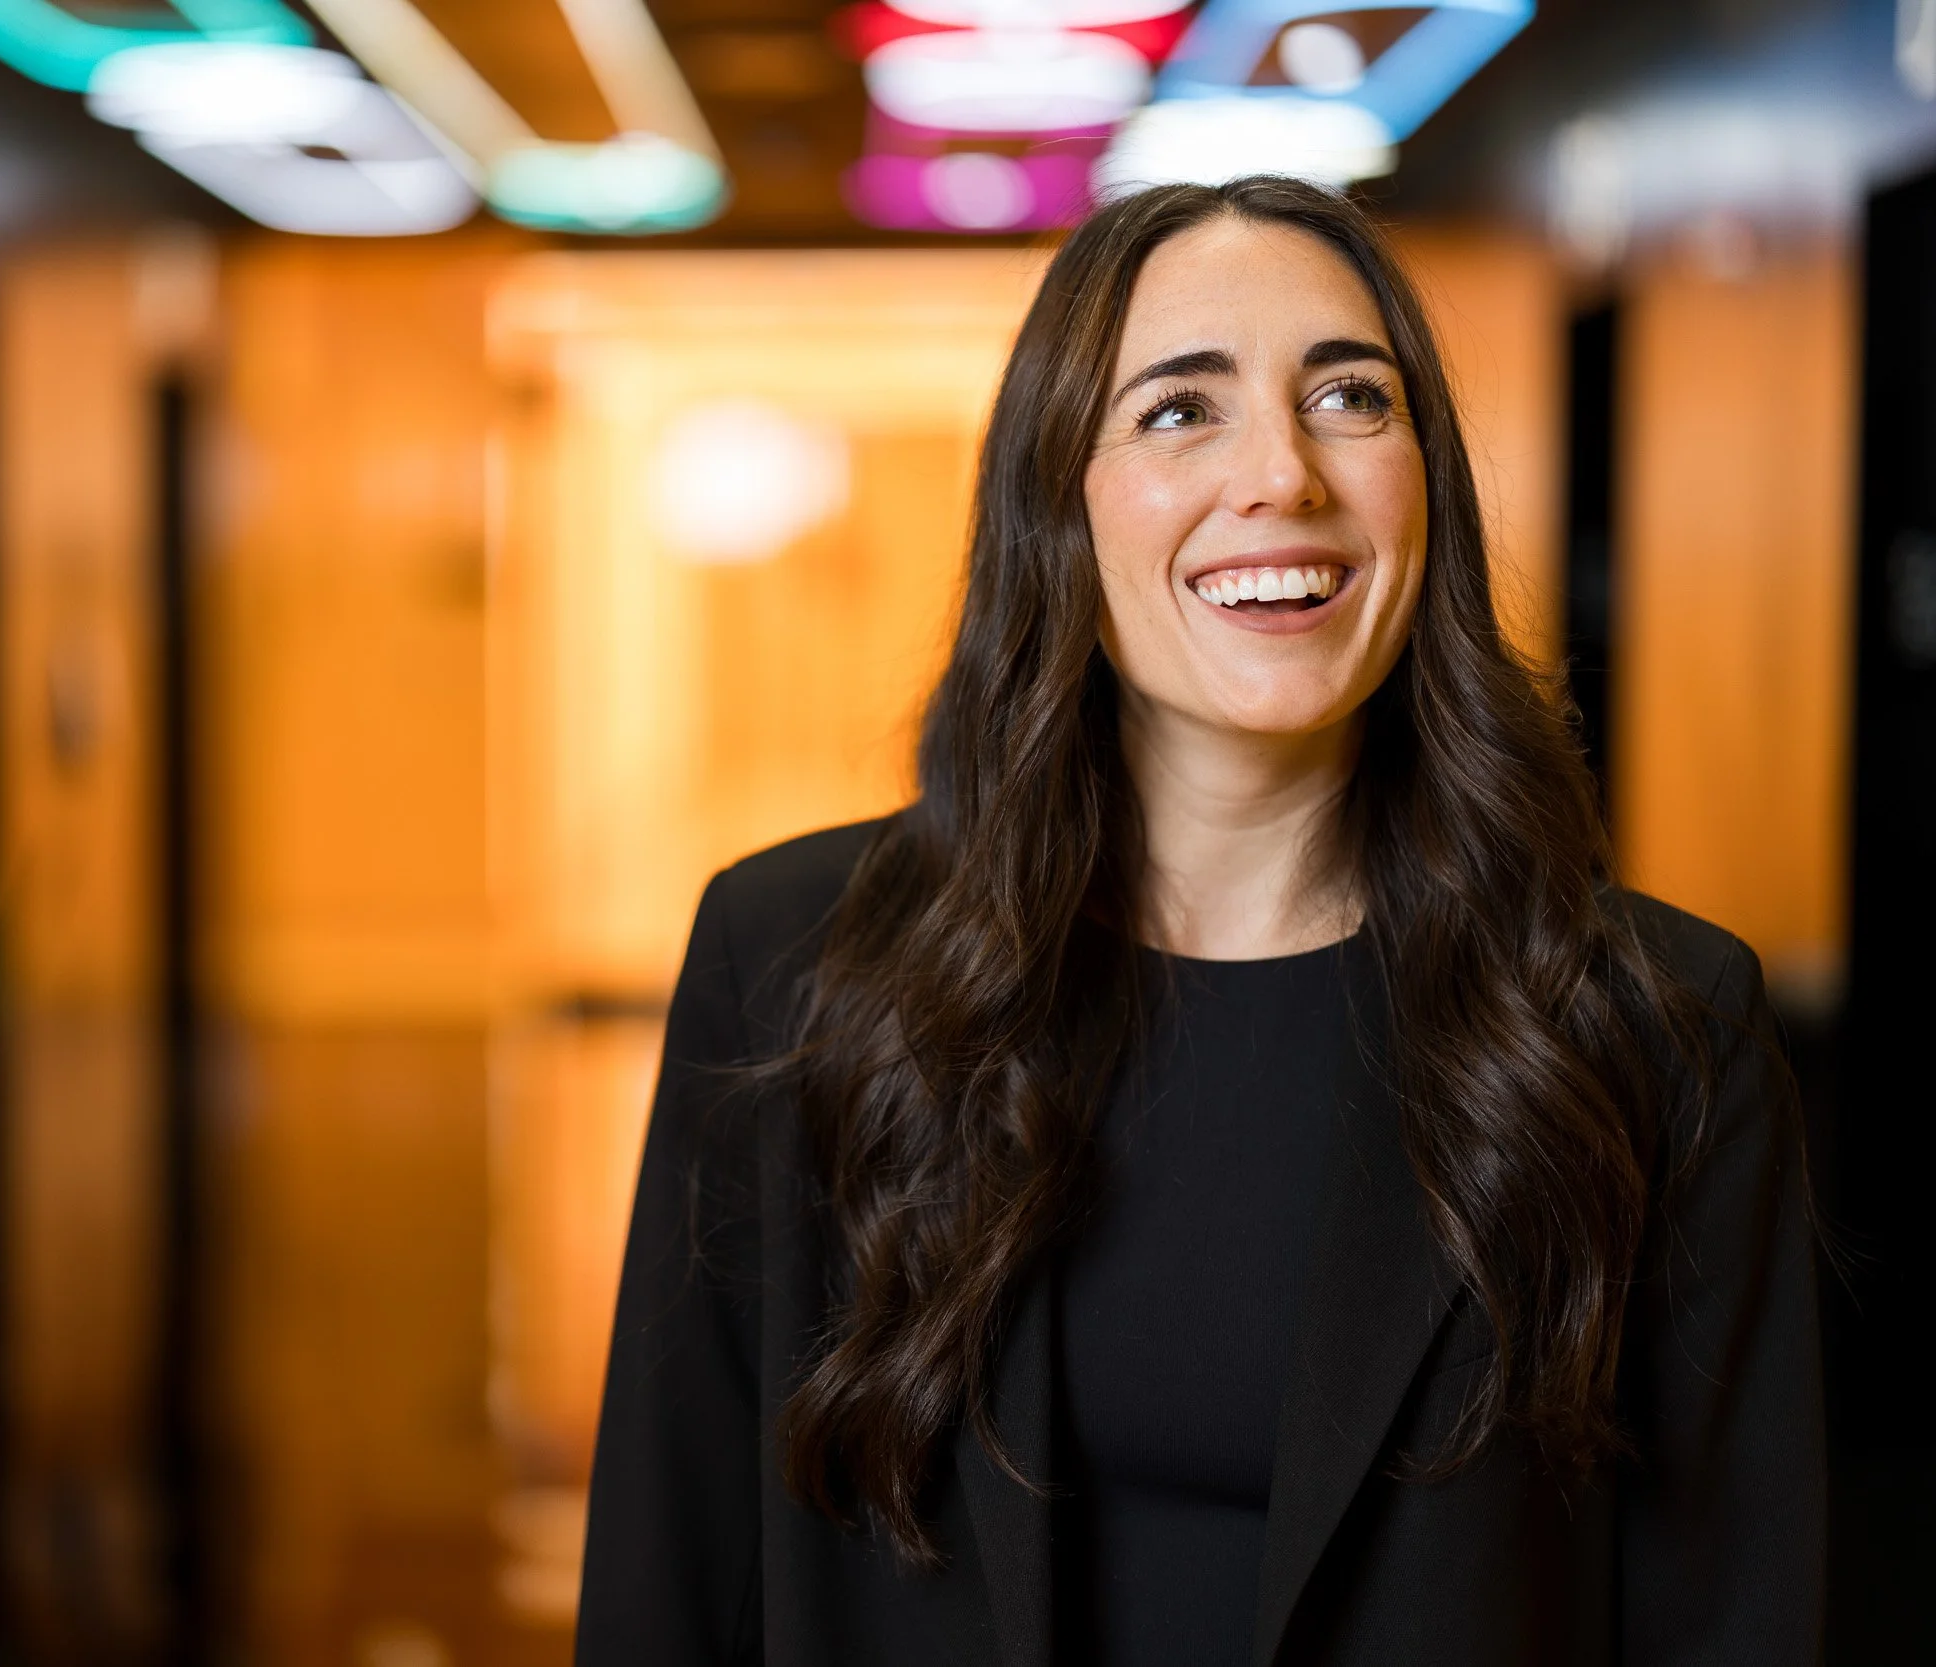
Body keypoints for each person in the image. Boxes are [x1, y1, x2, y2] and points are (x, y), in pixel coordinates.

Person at [573, 176, 1823, 1666]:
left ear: (1427, 476)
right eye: (1180, 410)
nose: (1282, 476)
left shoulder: (1656, 1026)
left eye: (1350, 398)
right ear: (1060, 497)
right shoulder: (794, 967)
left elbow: (1730, 1619)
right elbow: (671, 1580)